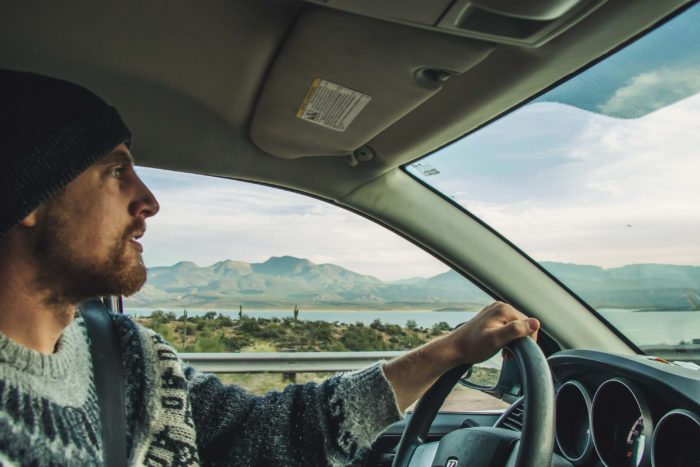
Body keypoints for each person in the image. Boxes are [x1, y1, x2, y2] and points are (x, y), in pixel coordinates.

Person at [0, 69, 540, 466]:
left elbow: (270, 433)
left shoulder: (129, 354)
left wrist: (451, 350)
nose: (148, 201)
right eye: (116, 171)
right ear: (30, 195)